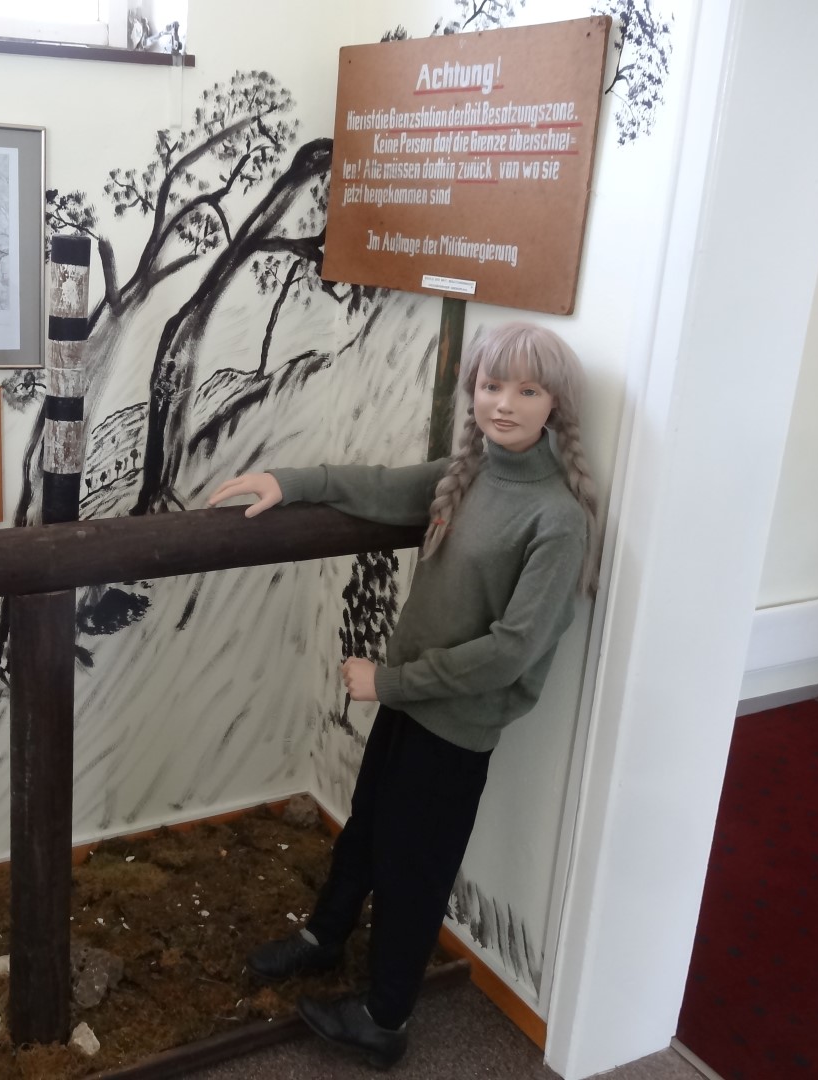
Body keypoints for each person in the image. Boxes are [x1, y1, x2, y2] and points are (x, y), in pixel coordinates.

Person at [207, 322, 599, 1069]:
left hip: (455, 721)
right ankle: (324, 936)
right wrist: (289, 482)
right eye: (491, 385)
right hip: (411, 703)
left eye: (527, 390)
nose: (504, 404)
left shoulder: (558, 521)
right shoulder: (470, 474)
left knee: (413, 867)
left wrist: (387, 681)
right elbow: (383, 488)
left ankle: (385, 1018)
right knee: (366, 829)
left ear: (557, 404)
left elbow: (510, 653)